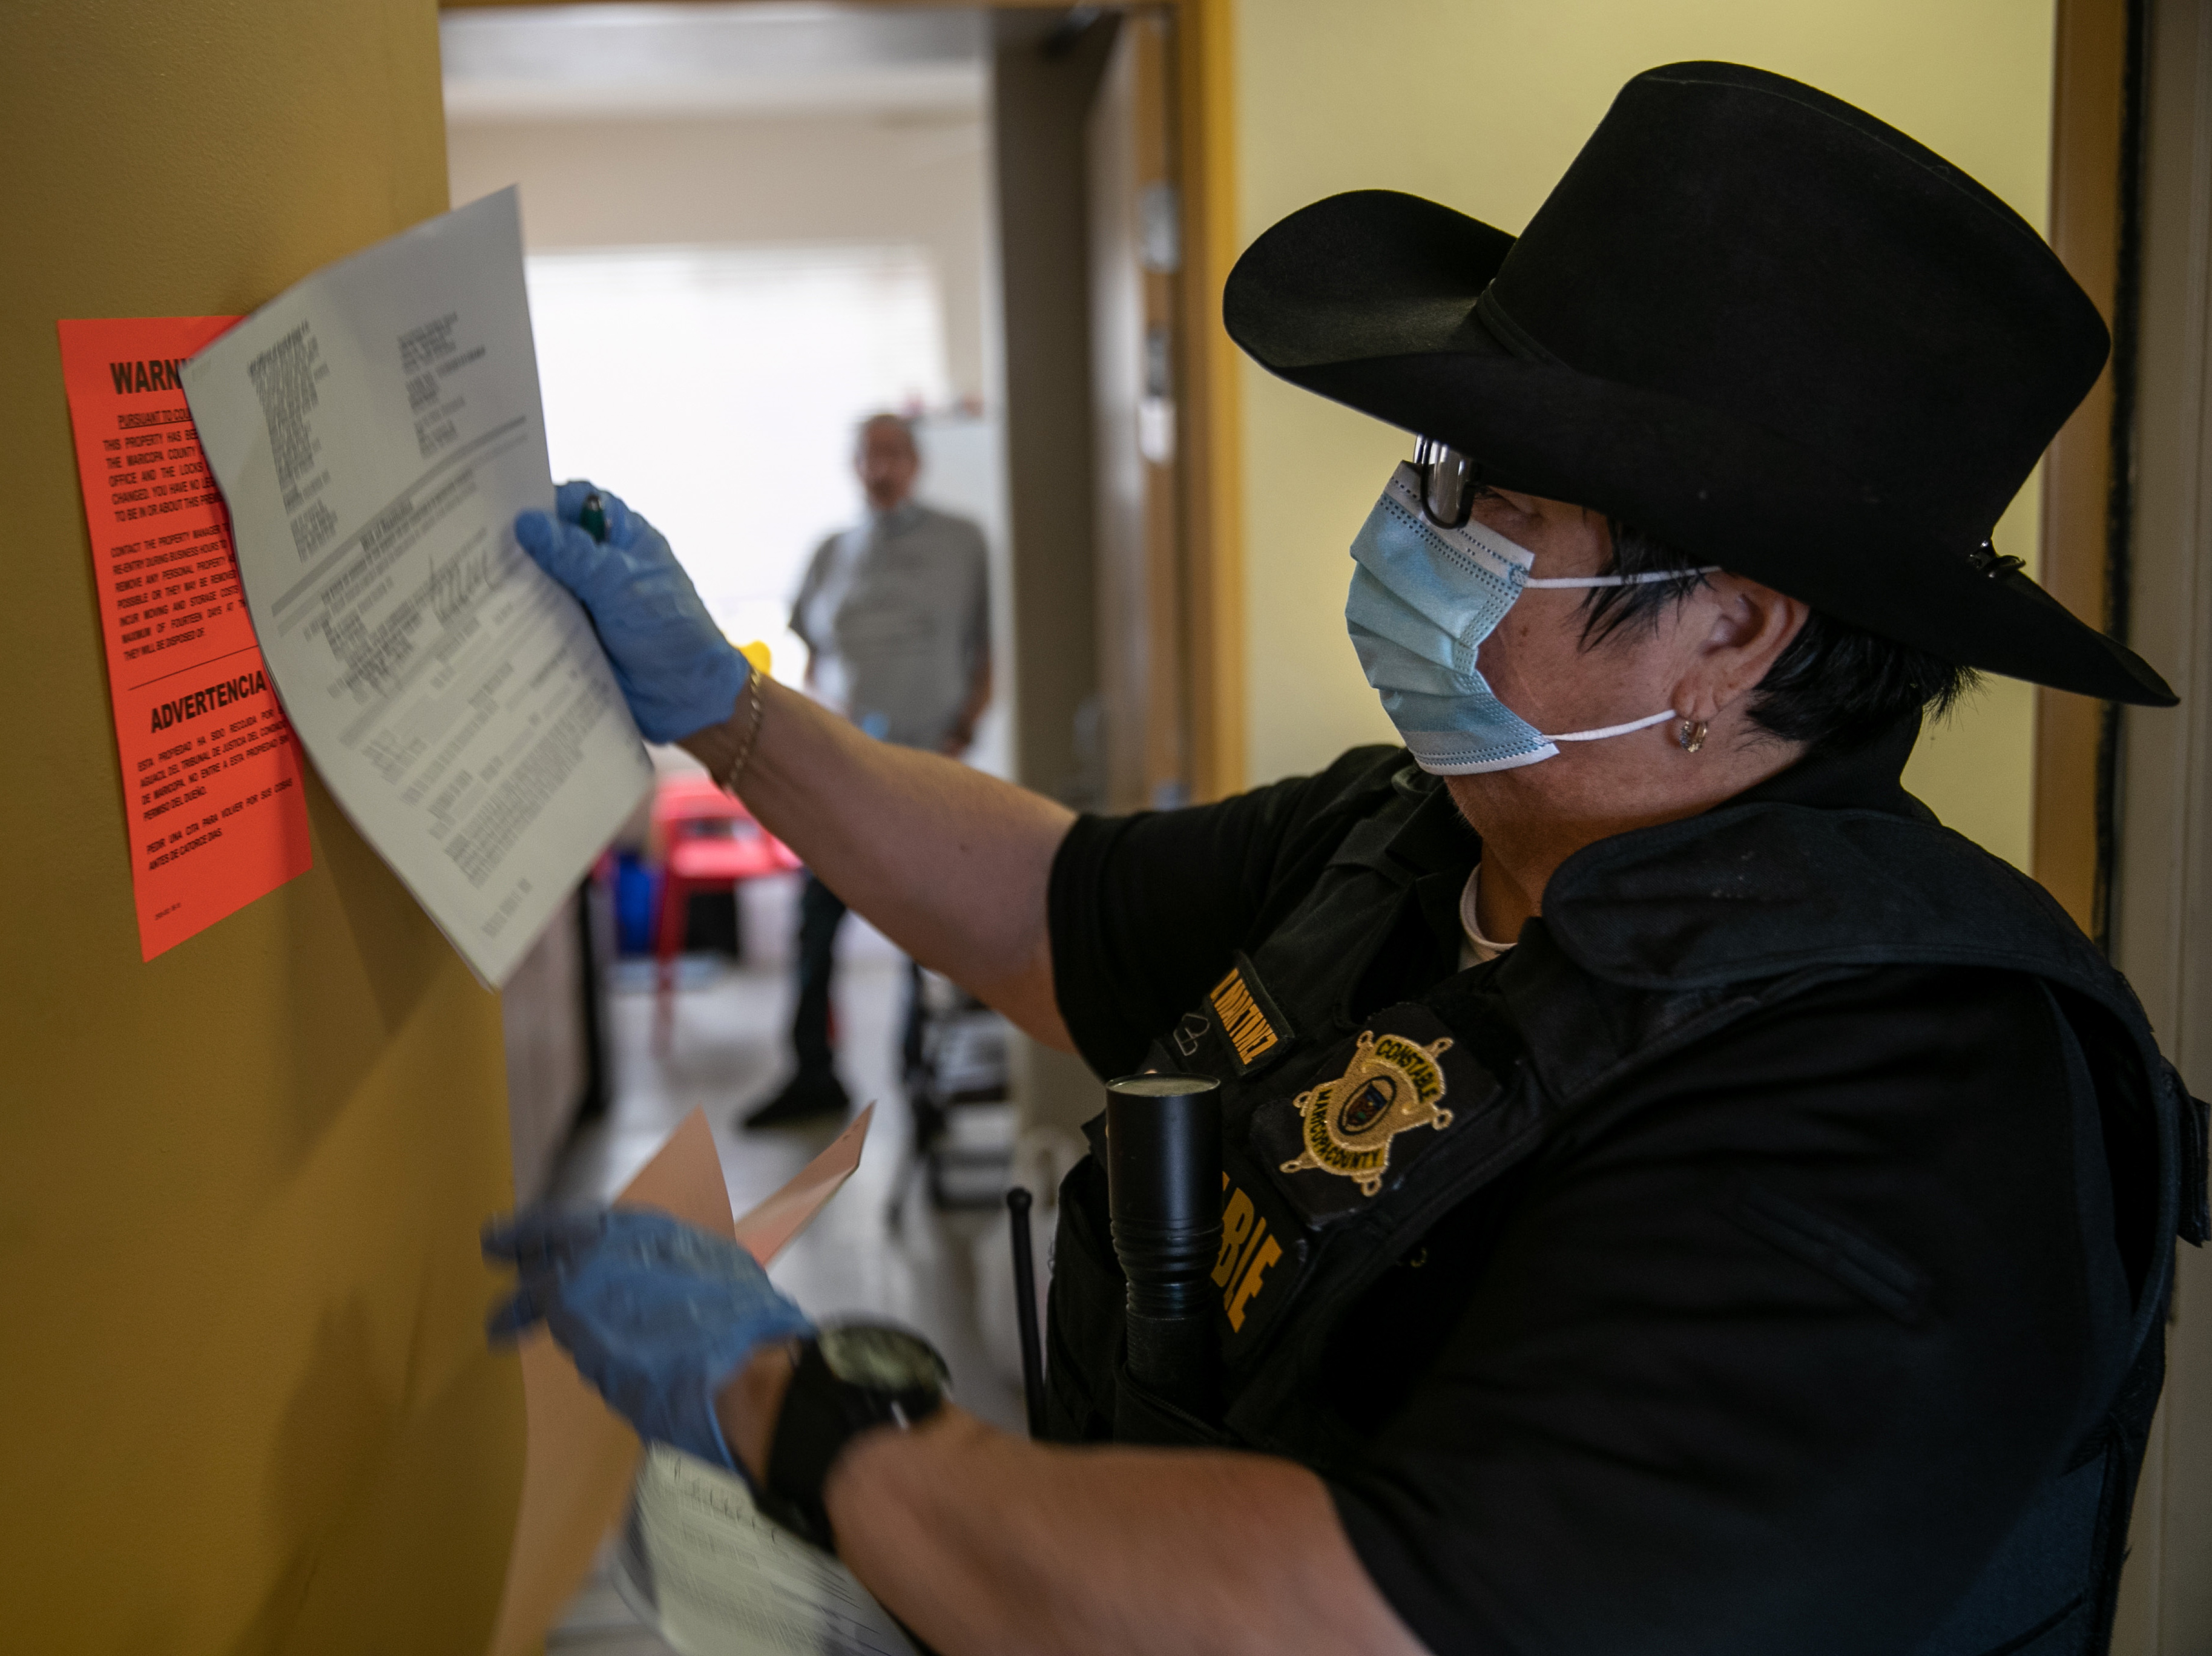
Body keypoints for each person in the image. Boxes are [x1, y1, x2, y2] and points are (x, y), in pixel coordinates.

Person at [492, 63, 2206, 1655]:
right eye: (1432, 469)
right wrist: (732, 714)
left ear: (1726, 634)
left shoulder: (1903, 1101)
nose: (1409, 528)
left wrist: (805, 1419)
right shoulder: (1414, 840)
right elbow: (1057, 908)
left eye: (1494, 506)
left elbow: (1367, 1620)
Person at [747, 412, 992, 1129]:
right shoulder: (831, 552)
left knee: (926, 931)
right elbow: (812, 658)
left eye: (893, 454)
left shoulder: (963, 544)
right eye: (868, 455)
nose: (880, 467)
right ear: (854, 466)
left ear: (915, 463)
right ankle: (812, 1072)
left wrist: (962, 731)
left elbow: (987, 650)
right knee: (814, 927)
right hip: (842, 776)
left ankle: (925, 1083)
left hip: (925, 772)